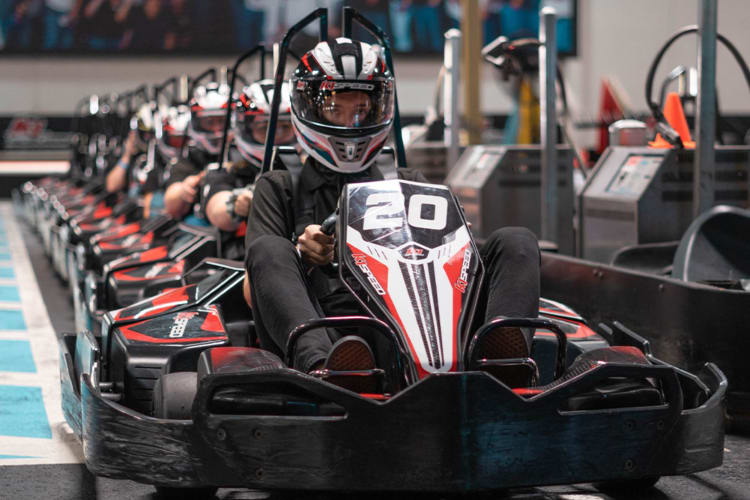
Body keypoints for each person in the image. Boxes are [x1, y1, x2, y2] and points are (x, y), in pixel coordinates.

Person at [243, 37, 541, 392]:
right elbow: (251, 290)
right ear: (309, 108)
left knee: (517, 240)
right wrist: (303, 254)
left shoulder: (405, 180)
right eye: (335, 108)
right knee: (269, 250)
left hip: (423, 315)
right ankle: (326, 369)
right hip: (334, 329)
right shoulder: (280, 186)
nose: (350, 122)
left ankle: (503, 361)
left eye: (361, 109)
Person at [200, 79, 296, 260]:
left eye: (284, 127)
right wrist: (239, 203)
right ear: (246, 129)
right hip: (241, 264)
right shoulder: (226, 169)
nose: (276, 136)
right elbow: (217, 210)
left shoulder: (307, 168)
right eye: (265, 128)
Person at [162, 79, 227, 223]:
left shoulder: (242, 155)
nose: (216, 130)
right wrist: (184, 189)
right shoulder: (191, 155)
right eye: (210, 122)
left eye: (222, 121)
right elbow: (170, 202)